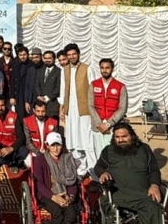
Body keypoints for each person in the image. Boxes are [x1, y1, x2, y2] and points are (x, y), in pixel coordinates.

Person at [95, 123, 164, 224]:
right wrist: (102, 173)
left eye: (124, 136)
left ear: (132, 136)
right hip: (118, 195)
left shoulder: (144, 149)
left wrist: (155, 185)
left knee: (153, 208)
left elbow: (154, 169)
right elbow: (98, 167)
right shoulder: (108, 151)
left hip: (143, 194)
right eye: (117, 137)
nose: (121, 140)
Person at [31, 132, 82, 224]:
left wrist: (70, 197)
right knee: (58, 213)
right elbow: (39, 183)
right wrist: (54, 197)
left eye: (58, 145)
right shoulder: (40, 160)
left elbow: (72, 181)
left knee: (71, 214)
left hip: (65, 194)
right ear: (47, 146)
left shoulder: (67, 158)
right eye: (53, 145)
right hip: (48, 194)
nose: (55, 148)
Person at [60, 44, 95, 173]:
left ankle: (92, 168)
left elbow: (93, 89)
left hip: (84, 109)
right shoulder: (64, 70)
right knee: (72, 137)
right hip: (70, 110)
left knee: (86, 138)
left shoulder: (87, 68)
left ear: (78, 54)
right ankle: (80, 165)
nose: (71, 57)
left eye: (73, 54)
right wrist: (62, 109)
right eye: (69, 55)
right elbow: (63, 90)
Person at [89, 58, 128, 158]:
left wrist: (108, 124)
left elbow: (122, 108)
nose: (104, 70)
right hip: (97, 127)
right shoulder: (93, 85)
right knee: (99, 155)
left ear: (112, 69)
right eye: (102, 68)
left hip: (113, 128)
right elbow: (90, 105)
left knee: (114, 155)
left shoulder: (120, 86)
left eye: (107, 68)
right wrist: (99, 124)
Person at [0, 94, 28, 171]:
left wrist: (11, 148)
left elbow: (21, 136)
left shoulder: (14, 116)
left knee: (24, 150)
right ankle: (1, 163)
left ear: (6, 104)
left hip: (10, 147)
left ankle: (10, 163)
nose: (0, 108)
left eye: (2, 105)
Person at [36, 50, 61, 123]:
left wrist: (47, 98)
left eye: (49, 58)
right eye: (45, 58)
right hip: (40, 104)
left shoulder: (59, 71)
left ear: (54, 59)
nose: (47, 60)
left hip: (52, 104)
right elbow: (37, 85)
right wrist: (39, 96)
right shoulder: (40, 70)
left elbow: (58, 88)